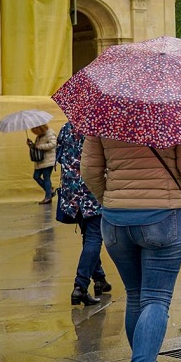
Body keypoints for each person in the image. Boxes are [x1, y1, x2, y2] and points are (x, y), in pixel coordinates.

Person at [81, 133, 181, 362]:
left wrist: (111, 200)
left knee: (135, 295)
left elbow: (89, 171)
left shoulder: (104, 113)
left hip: (115, 220)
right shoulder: (174, 109)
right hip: (163, 216)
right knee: (156, 299)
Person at [56, 120, 109, 307]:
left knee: (89, 236)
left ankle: (100, 278)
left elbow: (59, 156)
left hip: (72, 193)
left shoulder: (66, 128)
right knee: (95, 238)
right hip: (92, 191)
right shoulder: (97, 128)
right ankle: (81, 286)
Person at [29, 124, 57, 204]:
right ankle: (50, 191)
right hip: (40, 160)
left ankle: (48, 197)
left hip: (48, 160)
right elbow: (37, 147)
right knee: (36, 176)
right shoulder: (39, 136)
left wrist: (40, 146)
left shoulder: (49, 133)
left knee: (46, 177)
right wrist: (31, 145)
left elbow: (53, 144)